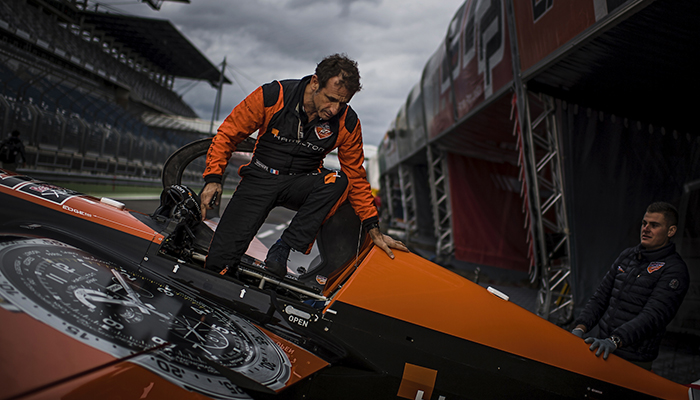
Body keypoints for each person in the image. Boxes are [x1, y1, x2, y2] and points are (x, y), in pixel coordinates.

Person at [200, 54, 407, 279]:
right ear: (315, 82)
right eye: (330, 98)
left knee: (339, 181)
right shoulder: (273, 95)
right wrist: (213, 178)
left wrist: (373, 229)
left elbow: (356, 177)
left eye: (343, 102)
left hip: (300, 183)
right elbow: (227, 134)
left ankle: (283, 247)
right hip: (259, 178)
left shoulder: (347, 123)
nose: (335, 109)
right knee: (217, 263)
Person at [571, 202, 689, 370]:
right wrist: (580, 327)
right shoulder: (627, 256)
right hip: (600, 348)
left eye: (654, 225)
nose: (646, 228)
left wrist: (615, 340)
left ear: (671, 231)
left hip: (634, 360)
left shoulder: (675, 270)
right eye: (644, 223)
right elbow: (601, 297)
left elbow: (653, 316)